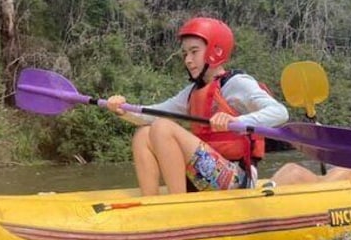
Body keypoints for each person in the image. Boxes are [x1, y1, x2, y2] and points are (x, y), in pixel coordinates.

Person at [105, 16, 289, 196]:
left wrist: (238, 120)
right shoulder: (192, 92)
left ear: (215, 51)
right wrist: (123, 109)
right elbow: (153, 113)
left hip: (237, 180)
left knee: (163, 127)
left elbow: (280, 113)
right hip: (204, 176)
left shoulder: (236, 83)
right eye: (185, 53)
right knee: (143, 133)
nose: (187, 60)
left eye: (194, 52)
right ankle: (150, 201)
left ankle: (179, 204)